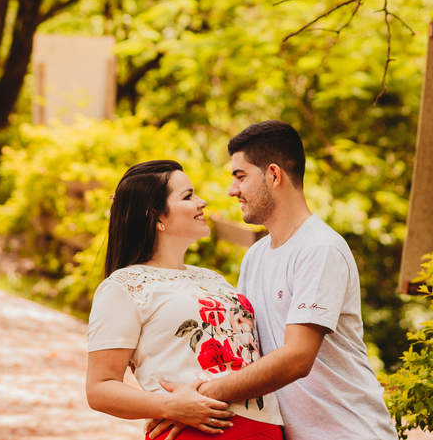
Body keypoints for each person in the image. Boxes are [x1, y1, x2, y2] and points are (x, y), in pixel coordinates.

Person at [148, 121, 397, 440]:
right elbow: (242, 346)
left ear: (274, 175)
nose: (232, 190)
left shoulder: (319, 248)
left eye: (240, 176)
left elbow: (296, 359)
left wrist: (204, 393)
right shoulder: (256, 255)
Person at [86, 159, 285, 439]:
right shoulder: (123, 286)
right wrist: (170, 406)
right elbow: (99, 388)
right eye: (188, 196)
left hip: (266, 428)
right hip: (197, 432)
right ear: (157, 217)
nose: (201, 202)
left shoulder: (214, 279)